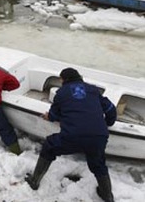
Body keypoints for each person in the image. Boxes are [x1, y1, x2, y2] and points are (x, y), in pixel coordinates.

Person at [25, 68, 117, 202]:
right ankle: (107, 195)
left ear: (64, 79)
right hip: (99, 136)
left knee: (49, 146)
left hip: (73, 136)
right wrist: (108, 123)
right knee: (98, 164)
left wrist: (49, 117)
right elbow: (110, 109)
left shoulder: (61, 93)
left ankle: (34, 181)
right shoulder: (93, 90)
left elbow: (54, 114)